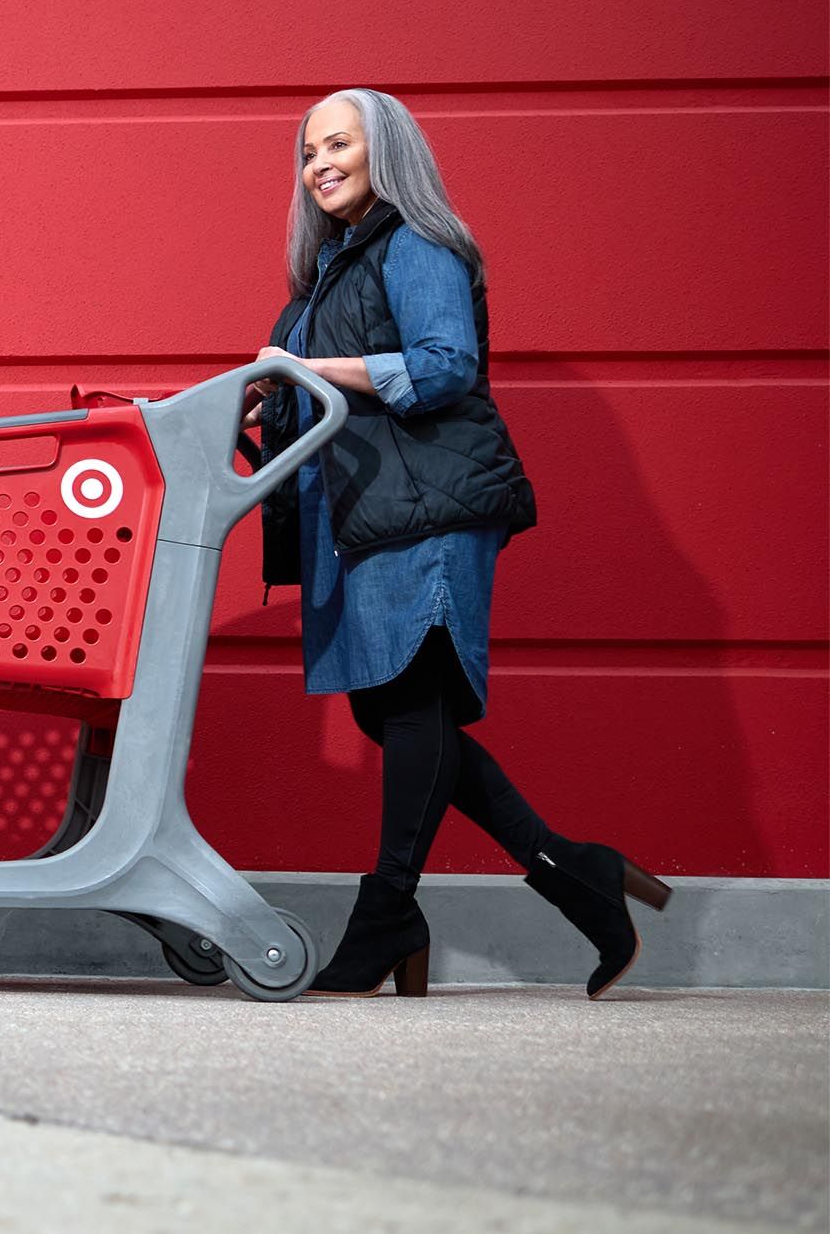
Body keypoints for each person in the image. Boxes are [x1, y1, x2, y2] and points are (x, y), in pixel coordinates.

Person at [245, 87, 669, 999]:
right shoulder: (326, 276)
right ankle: (576, 873)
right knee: (394, 712)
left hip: (429, 504)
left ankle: (388, 908)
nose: (319, 163)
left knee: (410, 706)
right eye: (308, 151)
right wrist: (266, 395)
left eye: (339, 145)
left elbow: (446, 365)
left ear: (384, 151)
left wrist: (315, 371)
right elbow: (313, 389)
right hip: (371, 511)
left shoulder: (416, 243)